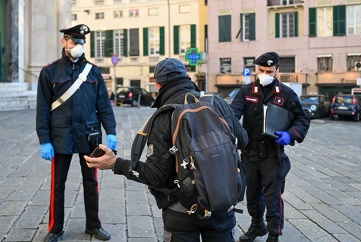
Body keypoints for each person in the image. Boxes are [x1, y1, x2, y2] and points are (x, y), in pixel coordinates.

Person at [84, 58, 249, 242]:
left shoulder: (164, 115)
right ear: (187, 77)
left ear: (157, 84)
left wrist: (116, 164)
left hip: (182, 209)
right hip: (222, 200)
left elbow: (156, 176)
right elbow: (242, 140)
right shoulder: (216, 102)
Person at [36, 24, 117, 242]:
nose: (78, 47)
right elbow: (42, 110)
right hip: (60, 136)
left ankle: (93, 225)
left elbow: (104, 106)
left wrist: (111, 131)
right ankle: (55, 229)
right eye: (74, 42)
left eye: (81, 43)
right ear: (64, 42)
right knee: (58, 184)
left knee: (91, 182)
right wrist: (45, 140)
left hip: (89, 135)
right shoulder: (49, 72)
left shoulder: (93, 71)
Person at [230, 52, 310, 242]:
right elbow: (233, 113)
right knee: (252, 194)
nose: (265, 73)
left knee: (272, 197)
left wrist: (290, 134)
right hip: (249, 153)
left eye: (269, 71)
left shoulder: (286, 94)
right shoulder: (246, 91)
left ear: (277, 71)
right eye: (262, 70)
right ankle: (257, 225)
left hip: (272, 154)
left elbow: (302, 119)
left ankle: (274, 233)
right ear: (257, 69)